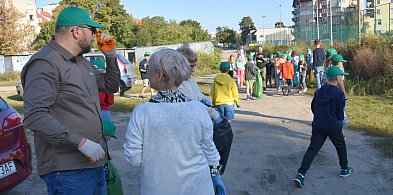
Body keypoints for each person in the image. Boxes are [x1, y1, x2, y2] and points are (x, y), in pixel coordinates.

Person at [21, 6, 120, 194]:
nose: (95, 35)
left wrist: (111, 56)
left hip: (93, 164)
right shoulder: (46, 63)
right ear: (76, 31)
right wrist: (81, 142)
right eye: (92, 30)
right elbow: (34, 116)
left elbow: (110, 86)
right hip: (67, 171)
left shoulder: (81, 62)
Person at [124, 49, 226, 195]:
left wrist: (157, 161)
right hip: (199, 187)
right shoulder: (198, 109)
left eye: (149, 70)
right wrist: (215, 176)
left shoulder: (143, 112)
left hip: (159, 187)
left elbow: (133, 158)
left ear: (159, 75)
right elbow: (210, 151)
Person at [293, 66, 354, 188]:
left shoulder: (319, 91)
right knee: (340, 146)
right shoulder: (339, 94)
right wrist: (339, 121)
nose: (342, 78)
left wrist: (320, 117)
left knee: (312, 149)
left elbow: (314, 107)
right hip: (333, 126)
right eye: (341, 76)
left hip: (318, 125)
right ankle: (344, 169)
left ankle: (301, 174)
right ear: (337, 78)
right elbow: (340, 113)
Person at [331, 54, 350, 126]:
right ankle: (342, 122)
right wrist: (344, 93)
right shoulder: (339, 70)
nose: (342, 63)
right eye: (341, 62)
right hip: (338, 93)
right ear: (338, 62)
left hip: (329, 92)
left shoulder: (329, 69)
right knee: (340, 110)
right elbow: (340, 83)